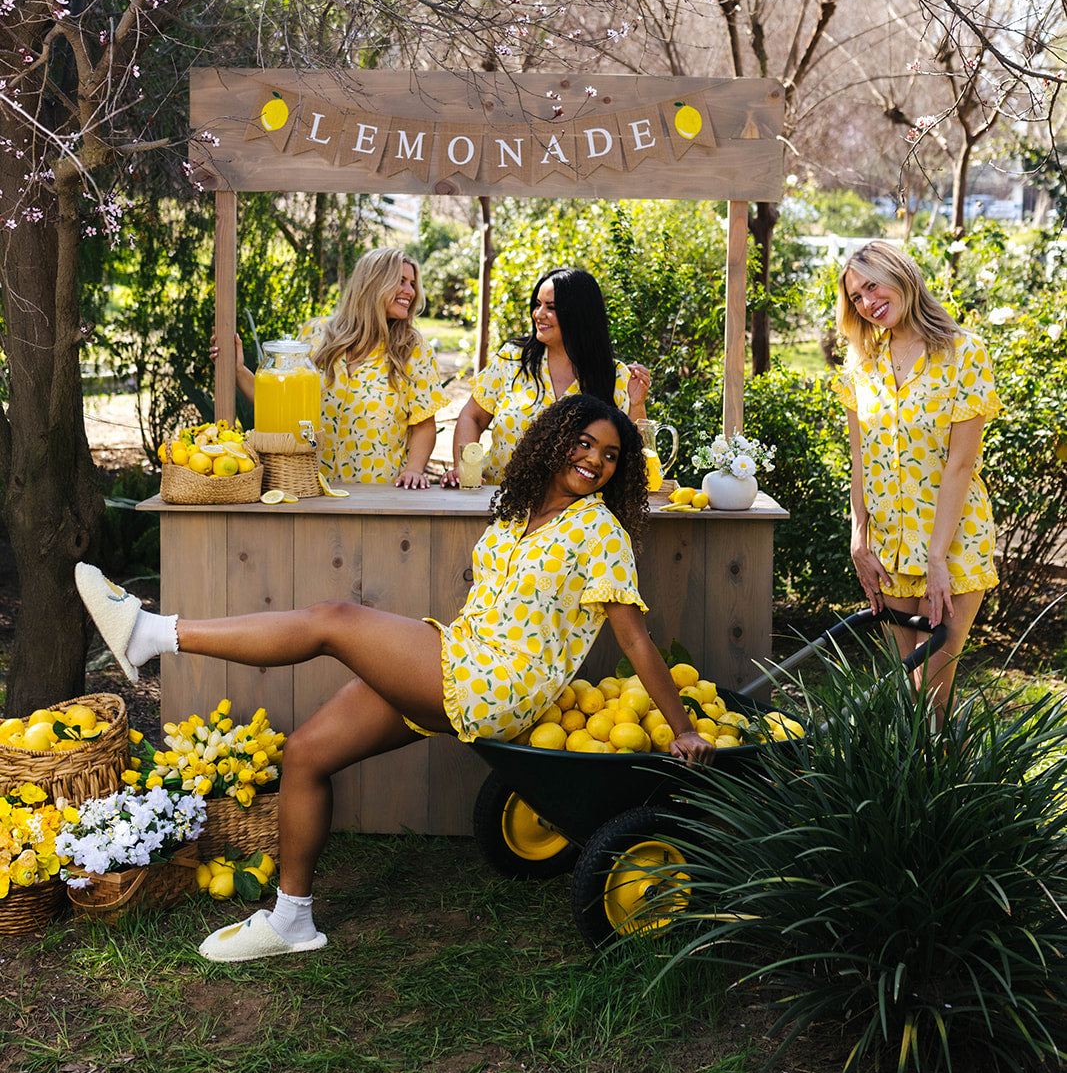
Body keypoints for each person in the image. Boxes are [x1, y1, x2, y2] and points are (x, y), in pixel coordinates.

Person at [75, 395, 713, 961]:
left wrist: (681, 729)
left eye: (609, 456)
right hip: (459, 655)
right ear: (554, 439)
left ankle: (152, 634)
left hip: (497, 683)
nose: (594, 461)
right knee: (306, 754)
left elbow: (634, 637)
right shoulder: (520, 512)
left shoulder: (599, 530)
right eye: (583, 443)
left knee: (334, 620)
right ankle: (292, 921)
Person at [834, 240, 1001, 725]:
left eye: (872, 285)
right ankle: (908, 798)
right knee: (905, 697)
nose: (867, 302)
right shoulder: (860, 362)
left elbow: (960, 466)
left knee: (932, 692)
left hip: (950, 545)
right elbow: (860, 459)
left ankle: (948, 796)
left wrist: (935, 559)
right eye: (856, 297)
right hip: (886, 547)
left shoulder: (963, 352)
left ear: (902, 275)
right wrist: (857, 539)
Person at [220, 248, 447, 489]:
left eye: (412, 284)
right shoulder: (315, 334)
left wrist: (413, 470)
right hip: (309, 490)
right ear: (372, 283)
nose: (410, 292)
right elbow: (279, 403)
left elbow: (423, 424)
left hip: (378, 495)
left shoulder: (413, 348)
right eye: (401, 281)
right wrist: (237, 370)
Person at [444, 266, 651, 486]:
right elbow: (472, 417)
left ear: (579, 314)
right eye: (537, 304)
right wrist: (464, 470)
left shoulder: (615, 375)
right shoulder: (512, 358)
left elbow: (632, 455)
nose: (538, 314)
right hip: (498, 500)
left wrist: (637, 404)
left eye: (550, 307)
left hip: (576, 514)